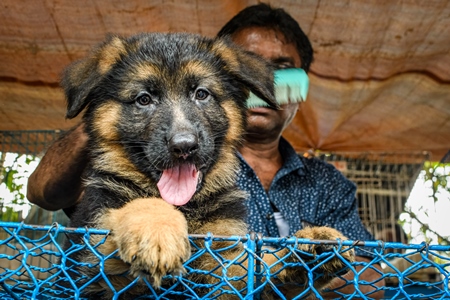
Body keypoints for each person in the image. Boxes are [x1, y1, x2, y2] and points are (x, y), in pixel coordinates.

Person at [27, 3, 384, 297]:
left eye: (284, 72)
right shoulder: (120, 159)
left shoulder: (326, 183)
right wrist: (112, 109)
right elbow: (46, 192)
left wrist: (289, 267)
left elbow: (368, 279)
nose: (184, 138)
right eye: (249, 64)